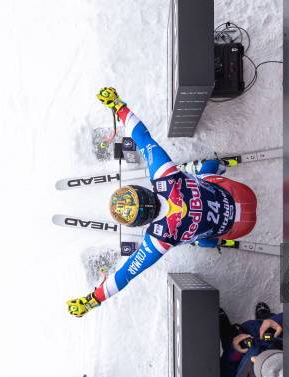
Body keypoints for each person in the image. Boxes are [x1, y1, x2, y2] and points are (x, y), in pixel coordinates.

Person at [66, 87, 258, 317]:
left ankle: (211, 241)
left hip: (238, 228)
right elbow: (142, 136)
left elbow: (125, 275)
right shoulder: (165, 176)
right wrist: (118, 105)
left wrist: (91, 301)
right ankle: (218, 167)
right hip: (241, 194)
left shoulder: (159, 239)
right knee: (206, 169)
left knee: (200, 240)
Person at [219, 302, 283, 377]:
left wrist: (234, 352)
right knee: (267, 326)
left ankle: (227, 333)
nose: (253, 358)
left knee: (231, 338)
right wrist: (277, 321)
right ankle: (265, 318)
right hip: (273, 338)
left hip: (240, 356)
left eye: (257, 362)